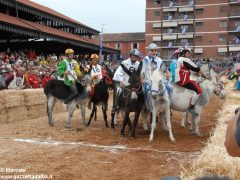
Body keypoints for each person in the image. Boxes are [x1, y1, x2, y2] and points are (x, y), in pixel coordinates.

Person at [175, 47, 207, 116]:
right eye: (188, 53)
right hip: (183, 80)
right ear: (184, 53)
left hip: (179, 79)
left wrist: (197, 73)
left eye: (189, 53)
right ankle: (191, 107)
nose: (189, 54)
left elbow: (191, 70)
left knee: (194, 82)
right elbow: (196, 68)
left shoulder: (180, 59)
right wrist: (204, 75)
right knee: (199, 91)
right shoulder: (185, 60)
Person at [140, 43, 170, 112]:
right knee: (147, 92)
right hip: (149, 81)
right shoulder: (145, 59)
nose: (154, 52)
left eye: (155, 50)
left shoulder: (159, 60)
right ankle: (150, 108)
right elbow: (143, 71)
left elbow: (165, 69)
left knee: (170, 88)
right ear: (149, 51)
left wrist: (168, 74)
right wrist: (142, 79)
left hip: (159, 81)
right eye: (152, 50)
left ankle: (168, 107)